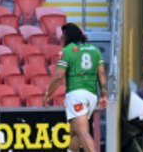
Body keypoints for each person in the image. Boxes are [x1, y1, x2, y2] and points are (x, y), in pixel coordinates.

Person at [44, 23, 107, 152]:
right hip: (91, 95)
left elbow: (58, 76)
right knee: (75, 132)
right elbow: (101, 73)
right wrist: (104, 95)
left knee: (82, 132)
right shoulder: (94, 50)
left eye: (63, 36)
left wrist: (48, 94)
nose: (62, 39)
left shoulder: (67, 51)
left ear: (68, 36)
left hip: (76, 95)